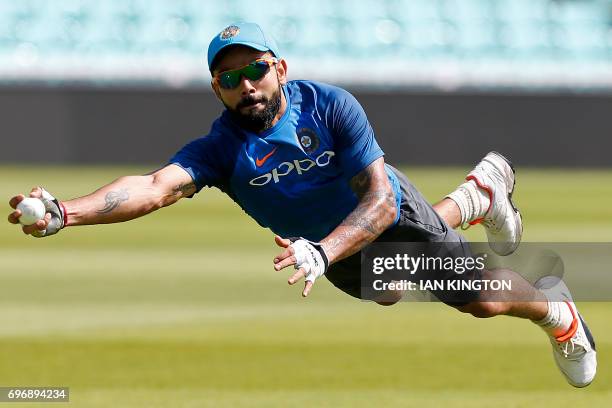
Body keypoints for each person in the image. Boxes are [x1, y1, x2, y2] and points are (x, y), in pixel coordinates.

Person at [6, 22, 595, 387]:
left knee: (480, 300)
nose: (247, 85)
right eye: (229, 78)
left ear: (279, 68)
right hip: (329, 251)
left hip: (375, 213)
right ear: (217, 89)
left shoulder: (330, 107)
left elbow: (383, 204)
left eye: (256, 70)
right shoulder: (219, 147)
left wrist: (324, 249)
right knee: (391, 285)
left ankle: (557, 311)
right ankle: (478, 194)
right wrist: (66, 213)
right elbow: (155, 187)